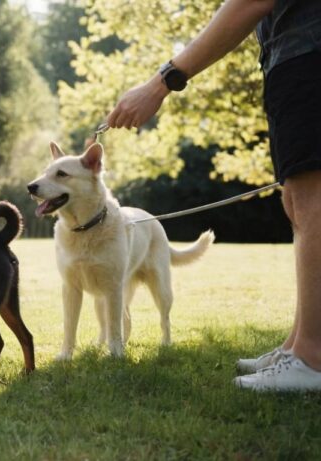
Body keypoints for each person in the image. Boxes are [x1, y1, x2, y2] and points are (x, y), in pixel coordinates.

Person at [106, 0, 321, 391]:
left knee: (312, 204)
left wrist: (162, 82)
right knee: (298, 204)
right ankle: (299, 346)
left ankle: (312, 358)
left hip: (309, 56)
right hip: (291, 56)